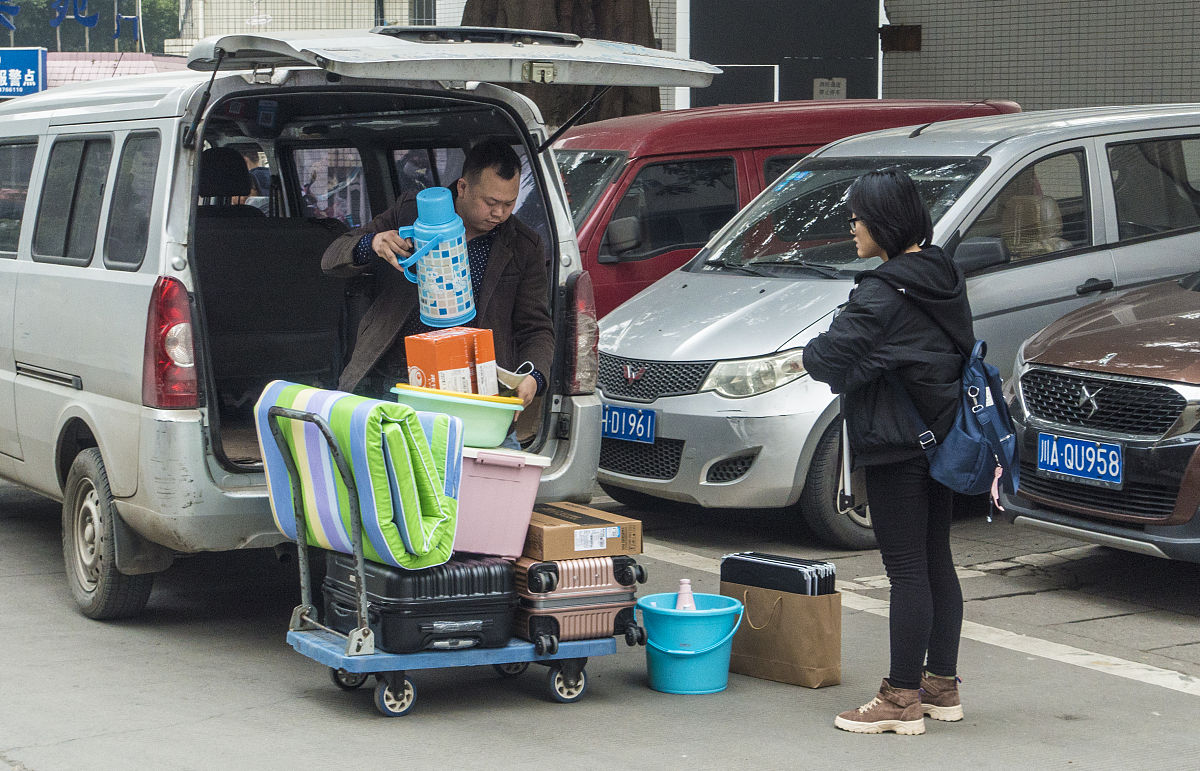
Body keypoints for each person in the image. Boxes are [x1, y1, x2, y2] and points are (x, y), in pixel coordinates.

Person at [802, 169, 973, 736]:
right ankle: (940, 684)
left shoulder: (882, 292)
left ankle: (901, 699)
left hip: (897, 443)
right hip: (943, 437)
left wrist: (870, 362)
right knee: (935, 560)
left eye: (857, 217)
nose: (851, 227)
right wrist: (881, 359)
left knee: (906, 570)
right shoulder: (942, 273)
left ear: (883, 222)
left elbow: (823, 359)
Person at [321, 138, 553, 446]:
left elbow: (536, 328)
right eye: (490, 202)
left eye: (509, 204)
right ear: (462, 187)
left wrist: (534, 378)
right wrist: (372, 243)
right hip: (396, 377)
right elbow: (332, 259)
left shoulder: (523, 245)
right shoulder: (409, 213)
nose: (499, 213)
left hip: (473, 389)